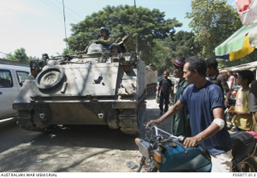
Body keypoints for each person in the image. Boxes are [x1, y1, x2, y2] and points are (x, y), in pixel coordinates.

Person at [146, 56, 232, 172]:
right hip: (199, 146)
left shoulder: (214, 90)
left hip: (217, 148)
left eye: (186, 72)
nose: (184, 75)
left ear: (195, 72)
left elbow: (219, 121)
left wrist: (197, 137)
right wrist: (159, 120)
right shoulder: (190, 89)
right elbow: (176, 107)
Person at [170, 57, 191, 137]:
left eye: (175, 69)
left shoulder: (187, 84)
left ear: (181, 70)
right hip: (178, 117)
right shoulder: (180, 83)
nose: (173, 71)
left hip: (183, 120)